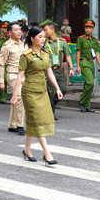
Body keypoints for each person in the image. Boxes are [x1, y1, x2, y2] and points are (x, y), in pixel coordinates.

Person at [11, 25, 62, 166]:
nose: (43, 39)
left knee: (34, 121)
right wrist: (15, 96)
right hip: (29, 92)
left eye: (44, 37)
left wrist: (57, 88)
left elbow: (49, 72)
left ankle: (27, 150)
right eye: (40, 37)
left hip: (42, 91)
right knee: (38, 121)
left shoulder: (46, 54)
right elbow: (20, 77)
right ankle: (47, 153)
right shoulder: (26, 55)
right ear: (32, 38)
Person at [0, 22, 27, 135]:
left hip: (23, 76)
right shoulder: (7, 46)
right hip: (13, 75)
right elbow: (1, 64)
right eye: (16, 30)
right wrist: (1, 81)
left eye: (20, 29)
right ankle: (20, 125)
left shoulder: (24, 45)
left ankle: (12, 124)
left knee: (17, 100)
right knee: (19, 98)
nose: (19, 31)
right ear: (9, 33)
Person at [42, 20, 73, 115]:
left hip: (58, 69)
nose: (44, 32)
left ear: (52, 30)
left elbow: (67, 56)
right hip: (48, 70)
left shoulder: (62, 42)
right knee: (50, 91)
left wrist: (71, 68)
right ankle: (51, 112)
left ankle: (51, 104)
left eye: (46, 30)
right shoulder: (43, 42)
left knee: (63, 89)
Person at [76, 18, 100, 113]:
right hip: (84, 62)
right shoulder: (81, 39)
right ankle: (82, 101)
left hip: (92, 63)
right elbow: (78, 52)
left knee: (88, 85)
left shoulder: (95, 40)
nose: (87, 29)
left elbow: (97, 54)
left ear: (93, 29)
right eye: (86, 27)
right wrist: (78, 65)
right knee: (90, 83)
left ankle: (87, 105)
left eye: (90, 28)